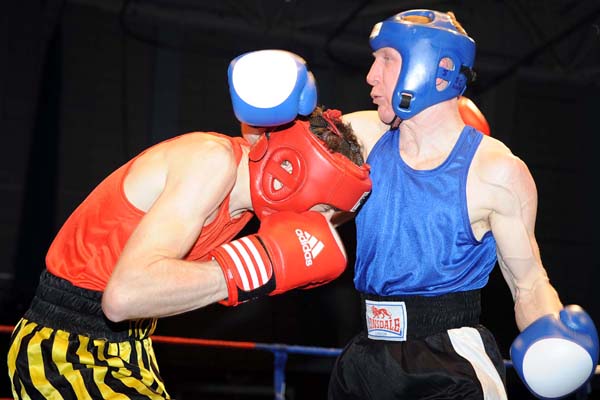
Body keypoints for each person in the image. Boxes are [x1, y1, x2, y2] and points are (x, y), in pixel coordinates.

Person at [6, 50, 372, 399]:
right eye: (319, 211)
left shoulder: (253, 177)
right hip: (64, 347)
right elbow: (123, 298)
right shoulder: (211, 162)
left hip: (129, 345)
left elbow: (365, 132)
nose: (314, 226)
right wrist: (258, 264)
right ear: (288, 174)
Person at [323, 9, 599, 400]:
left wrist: (551, 338)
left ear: (434, 67)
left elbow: (529, 283)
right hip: (364, 358)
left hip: (449, 360)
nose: (371, 75)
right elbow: (278, 177)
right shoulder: (365, 138)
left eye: (386, 58)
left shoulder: (496, 171)